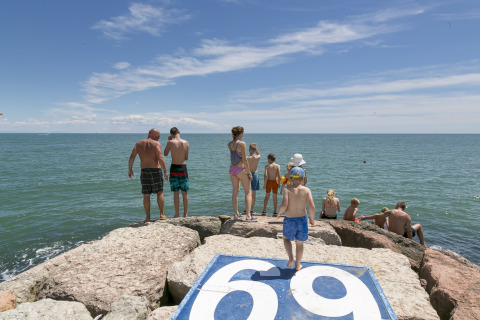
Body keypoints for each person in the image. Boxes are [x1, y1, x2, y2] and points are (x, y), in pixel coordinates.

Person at [277, 167, 315, 271]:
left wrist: (279, 213)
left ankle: (290, 258)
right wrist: (312, 219)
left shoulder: (287, 190)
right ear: (303, 179)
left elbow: (284, 205)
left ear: (290, 178)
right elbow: (312, 206)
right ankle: (298, 265)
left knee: (286, 238)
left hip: (290, 219)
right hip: (302, 220)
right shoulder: (306, 190)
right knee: (299, 243)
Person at [128, 128, 169, 222]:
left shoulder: (138, 144)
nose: (159, 138)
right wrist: (165, 171)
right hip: (156, 170)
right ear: (153, 134)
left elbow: (132, 156)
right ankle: (162, 215)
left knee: (146, 195)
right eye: (158, 136)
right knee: (159, 192)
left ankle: (147, 218)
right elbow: (160, 157)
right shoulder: (156, 144)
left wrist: (130, 169)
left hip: (144, 171)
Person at [228, 126, 256, 222]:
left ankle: (236, 214)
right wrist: (249, 173)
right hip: (241, 170)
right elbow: (244, 159)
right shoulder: (242, 144)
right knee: (248, 192)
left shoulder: (229, 144)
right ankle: (248, 216)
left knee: (235, 192)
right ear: (240, 134)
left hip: (232, 170)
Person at [163, 127, 189, 218]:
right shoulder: (186, 143)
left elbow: (165, 154)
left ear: (171, 134)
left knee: (176, 192)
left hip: (174, 167)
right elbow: (186, 157)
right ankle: (185, 214)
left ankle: (177, 214)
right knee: (184, 192)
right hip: (183, 167)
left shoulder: (170, 142)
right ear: (179, 132)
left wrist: (168, 141)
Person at [246, 143, 261, 215]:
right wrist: (257, 152)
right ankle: (251, 209)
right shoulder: (257, 157)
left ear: (249, 150)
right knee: (253, 193)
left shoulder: (246, 158)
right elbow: (259, 155)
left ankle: (247, 209)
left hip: (248, 174)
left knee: (247, 193)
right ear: (255, 150)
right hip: (254, 175)